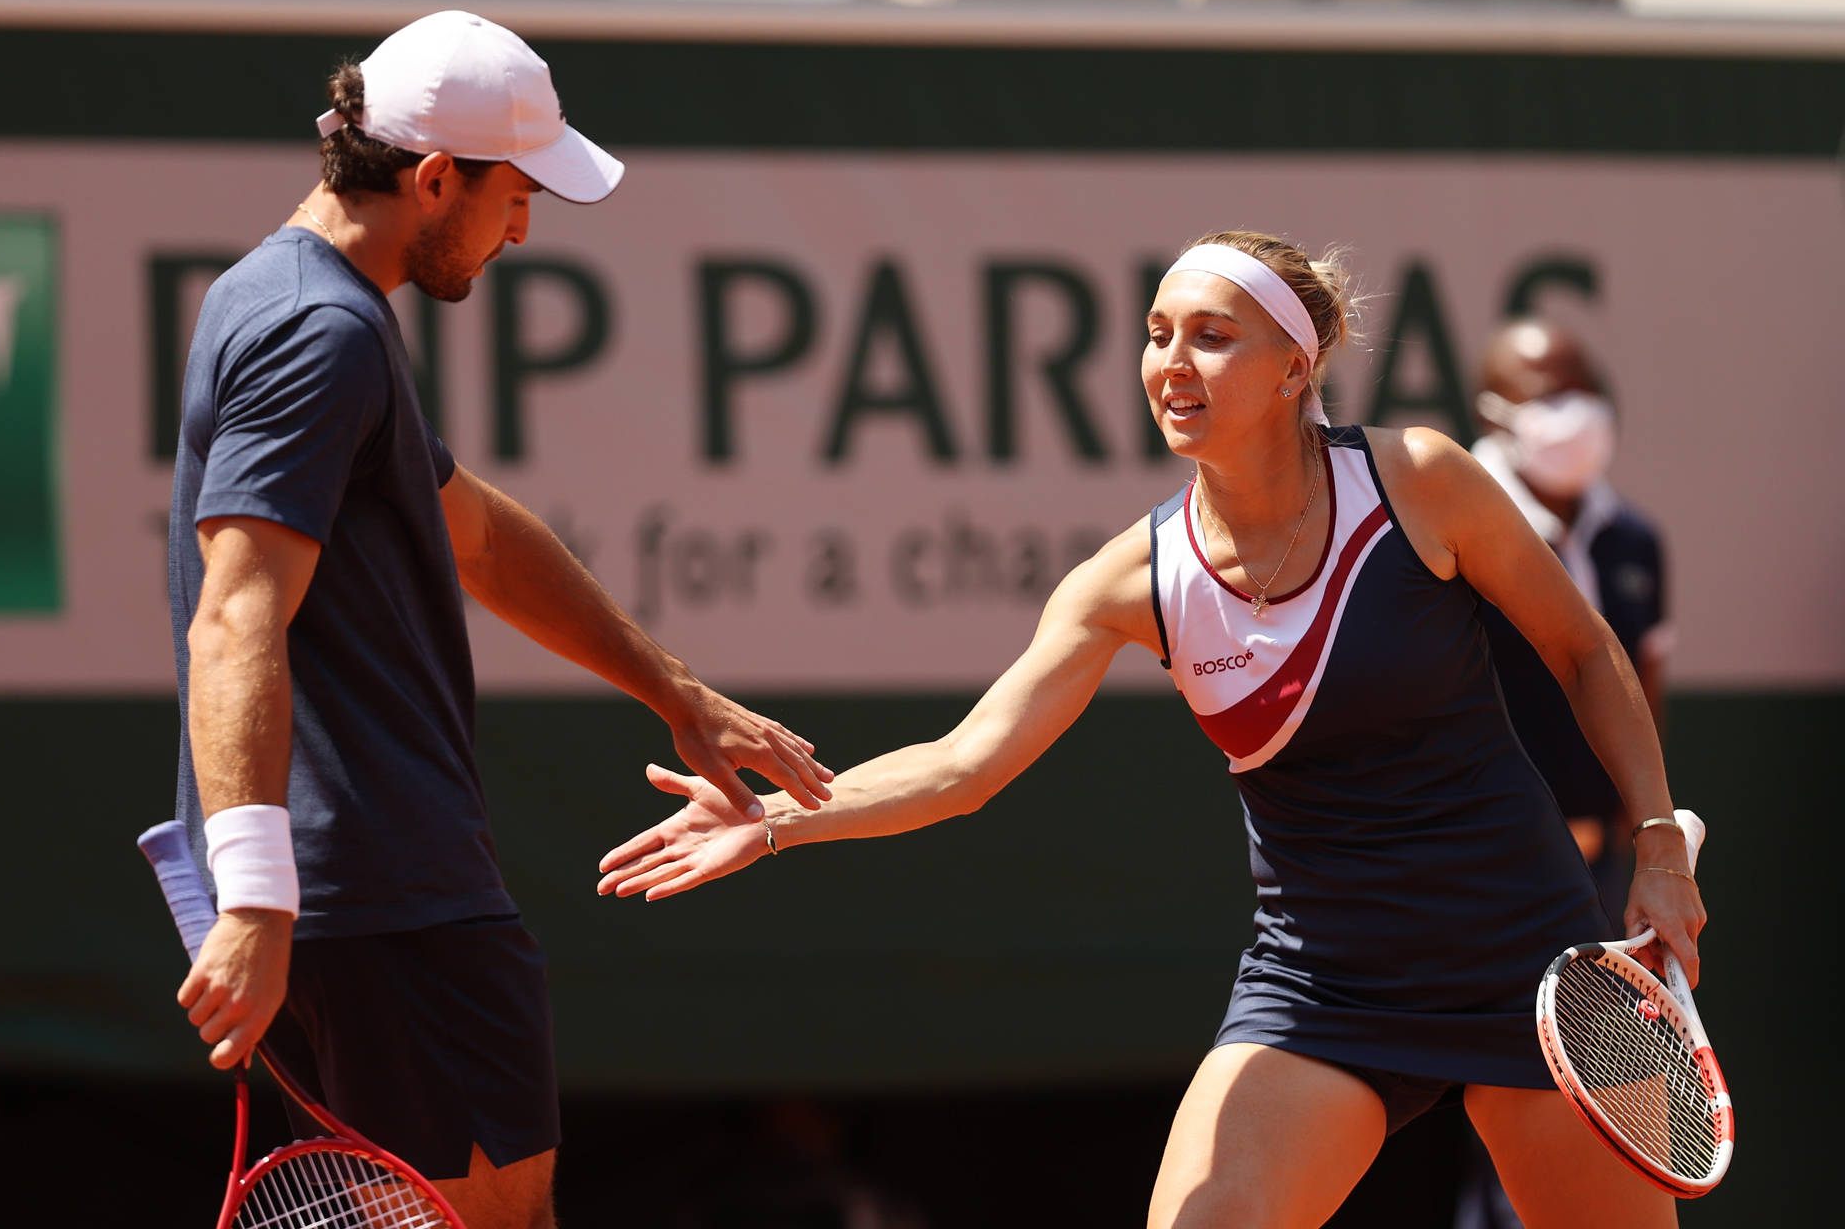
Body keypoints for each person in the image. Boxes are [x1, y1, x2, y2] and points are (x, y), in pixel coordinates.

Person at [596, 231, 1706, 1228]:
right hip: (1329, 984)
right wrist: (783, 818)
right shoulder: (1132, 577)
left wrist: (1657, 843)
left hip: (1529, 956)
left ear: (1292, 369)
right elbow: (964, 764)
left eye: (1212, 336)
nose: (1171, 363)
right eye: (1157, 333)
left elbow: (1586, 650)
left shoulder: (1422, 482)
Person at [166, 11, 833, 1229]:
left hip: (365, 885)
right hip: (376, 890)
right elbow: (235, 614)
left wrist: (673, 688)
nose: (524, 226)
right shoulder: (319, 329)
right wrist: (259, 899)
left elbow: (470, 530)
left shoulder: (300, 299)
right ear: (432, 178)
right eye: (514, 194)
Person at [1447, 320, 1674, 1229]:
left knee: (1616, 1111)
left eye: (1581, 388)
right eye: (1544, 395)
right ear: (1492, 412)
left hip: (1603, 877)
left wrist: (1643, 832)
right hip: (1479, 881)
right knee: (1512, 1115)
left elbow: (1640, 689)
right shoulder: (1451, 533)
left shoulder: (1635, 540)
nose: (1569, 414)